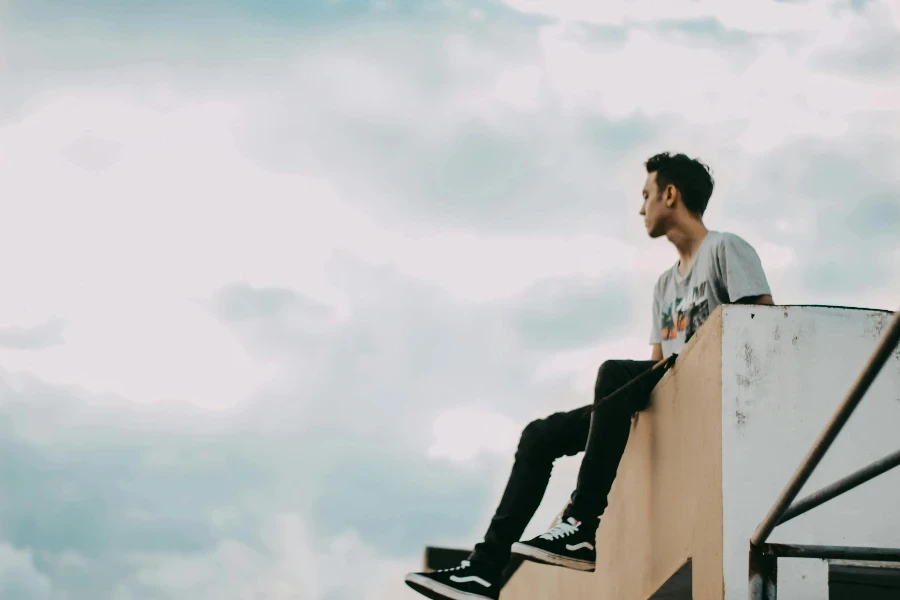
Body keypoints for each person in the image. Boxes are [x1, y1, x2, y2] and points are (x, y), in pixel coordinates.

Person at [404, 152, 775, 600]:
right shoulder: (664, 285)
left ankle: (581, 525)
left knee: (614, 372)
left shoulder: (725, 249)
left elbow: (762, 330)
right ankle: (484, 571)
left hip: (713, 399)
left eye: (646, 195)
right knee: (540, 435)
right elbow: (656, 368)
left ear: (670, 194)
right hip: (663, 397)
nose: (641, 208)